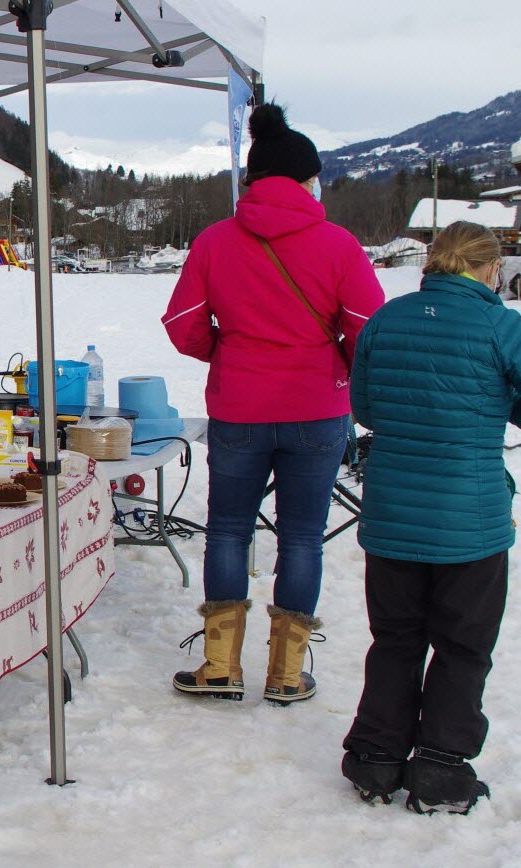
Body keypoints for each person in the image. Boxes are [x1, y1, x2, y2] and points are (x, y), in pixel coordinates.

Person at [161, 104, 385, 705]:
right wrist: (333, 359)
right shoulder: (339, 244)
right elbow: (371, 329)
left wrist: (228, 353)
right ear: (310, 180)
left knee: (228, 531)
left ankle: (219, 667)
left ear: (253, 180)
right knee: (303, 537)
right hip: (318, 409)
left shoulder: (214, 241)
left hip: (239, 407)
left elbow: (182, 322)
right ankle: (285, 674)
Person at [340, 222, 518, 814]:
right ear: (490, 269)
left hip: (392, 514)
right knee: (464, 646)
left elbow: (364, 407)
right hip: (470, 521)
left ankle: (376, 758)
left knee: (394, 638)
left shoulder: (386, 320)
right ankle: (441, 768)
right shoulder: (501, 326)